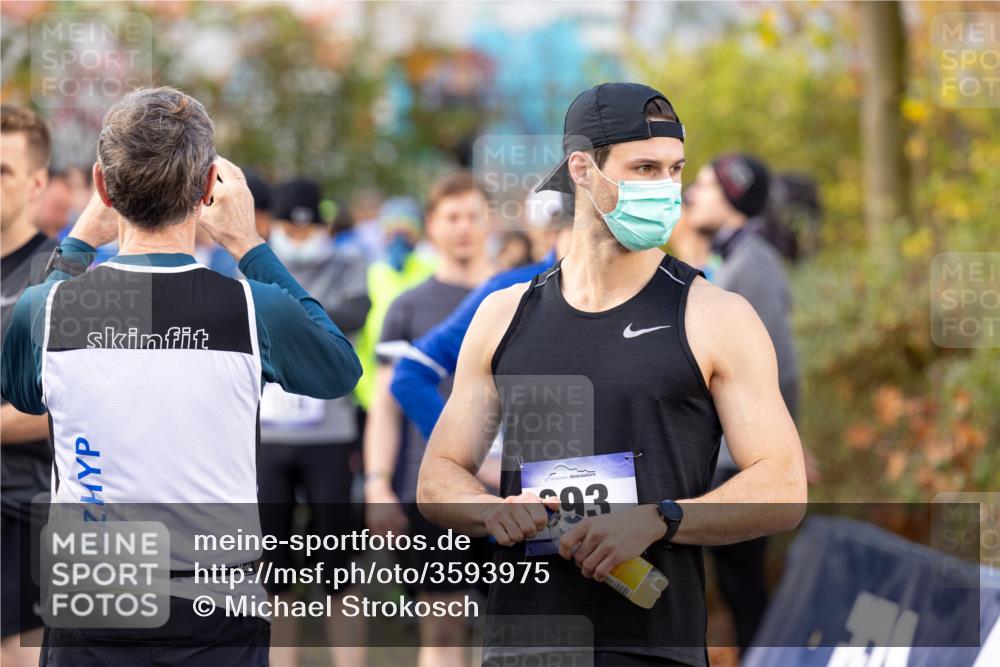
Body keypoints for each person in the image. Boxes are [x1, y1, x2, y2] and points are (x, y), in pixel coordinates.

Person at [417, 83, 807, 667]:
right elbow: (438, 478)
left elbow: (783, 487)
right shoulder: (503, 314)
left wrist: (661, 519)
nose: (666, 189)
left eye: (675, 170)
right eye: (645, 167)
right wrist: (490, 509)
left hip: (651, 646)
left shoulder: (716, 316)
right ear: (582, 168)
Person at [0, 87, 362, 667]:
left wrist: (76, 243)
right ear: (208, 189)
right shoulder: (253, 309)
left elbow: (21, 387)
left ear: (101, 187)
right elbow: (338, 367)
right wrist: (249, 244)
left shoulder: (49, 308)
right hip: (216, 605)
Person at [364, 171, 494, 667]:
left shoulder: (521, 296)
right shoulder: (407, 307)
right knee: (442, 629)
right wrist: (378, 485)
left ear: (488, 224)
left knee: (522, 625)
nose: (463, 228)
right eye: (451, 217)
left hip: (510, 487)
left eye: (472, 217)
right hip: (432, 490)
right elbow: (385, 407)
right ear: (432, 227)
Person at [683, 154, 806, 653]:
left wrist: (782, 450)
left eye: (708, 185)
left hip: (740, 468)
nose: (693, 192)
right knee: (736, 594)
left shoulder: (751, 264)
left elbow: (781, 369)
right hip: (729, 462)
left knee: (746, 595)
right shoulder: (734, 258)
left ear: (734, 198)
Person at [257, 177, 370, 667]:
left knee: (340, 563)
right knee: (273, 570)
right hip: (267, 437)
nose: (301, 238)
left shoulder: (349, 262)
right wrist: (312, 321)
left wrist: (289, 317)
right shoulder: (251, 265)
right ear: (276, 226)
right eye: (291, 228)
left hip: (331, 434)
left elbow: (356, 312)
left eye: (310, 228)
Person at [389, 196, 574, 445]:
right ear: (555, 230)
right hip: (538, 475)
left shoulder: (640, 290)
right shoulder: (514, 289)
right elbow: (410, 373)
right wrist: (469, 456)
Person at [0, 104, 59, 667]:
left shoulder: (61, 276)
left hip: (22, 513)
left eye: (2, 170)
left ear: (37, 181)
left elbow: (56, 407)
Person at [354, 197, 435, 412]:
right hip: (372, 393)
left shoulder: (432, 270)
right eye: (392, 227)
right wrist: (365, 392)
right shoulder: (372, 273)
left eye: (407, 228)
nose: (399, 235)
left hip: (421, 391)